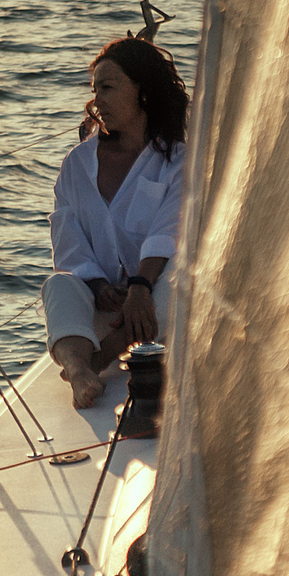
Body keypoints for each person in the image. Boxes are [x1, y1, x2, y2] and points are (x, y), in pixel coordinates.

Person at [45, 36, 188, 409]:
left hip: (152, 307)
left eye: (108, 88)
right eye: (95, 90)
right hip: (104, 308)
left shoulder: (176, 161)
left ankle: (94, 362)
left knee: (177, 283)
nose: (97, 100)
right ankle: (78, 369)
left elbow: (169, 230)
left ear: (142, 91)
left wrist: (141, 285)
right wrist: (95, 284)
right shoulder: (77, 163)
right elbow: (67, 235)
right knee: (59, 285)